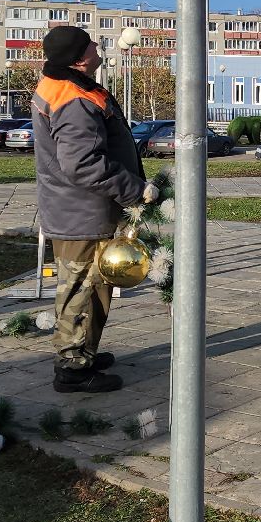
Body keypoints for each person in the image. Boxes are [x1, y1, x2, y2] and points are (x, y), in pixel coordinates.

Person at [32, 24, 154, 393]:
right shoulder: (73, 100)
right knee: (81, 287)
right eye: (91, 44)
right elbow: (83, 164)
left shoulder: (70, 87)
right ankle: (72, 368)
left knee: (93, 285)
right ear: (81, 58)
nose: (98, 45)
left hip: (79, 208)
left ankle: (83, 350)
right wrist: (134, 190)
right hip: (81, 212)